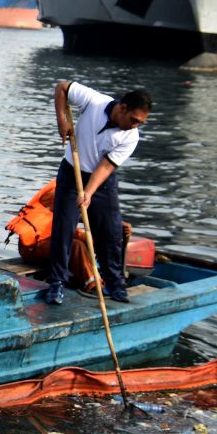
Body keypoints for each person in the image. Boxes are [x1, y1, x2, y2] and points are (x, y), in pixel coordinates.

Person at [44, 80, 152, 306]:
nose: (135, 126)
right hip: (71, 172)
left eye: (140, 123)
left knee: (110, 233)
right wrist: (62, 121)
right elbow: (62, 87)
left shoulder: (131, 137)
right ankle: (56, 284)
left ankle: (115, 285)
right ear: (122, 108)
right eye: (134, 120)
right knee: (63, 229)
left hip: (102, 181)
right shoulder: (94, 101)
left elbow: (105, 167)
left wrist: (89, 193)